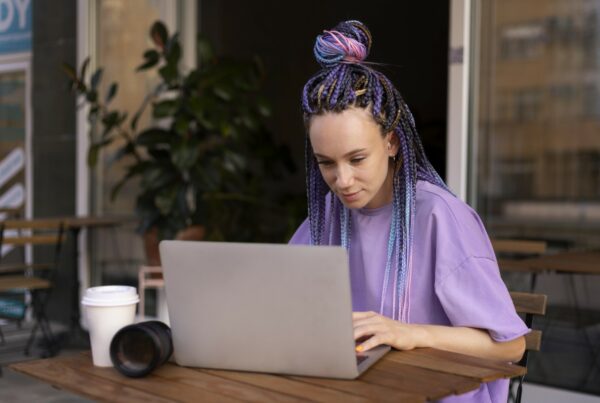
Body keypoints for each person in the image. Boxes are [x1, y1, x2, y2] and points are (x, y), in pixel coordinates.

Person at [289, 20, 529, 403]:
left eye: (357, 158)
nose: (342, 180)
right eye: (326, 163)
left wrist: (410, 333)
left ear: (392, 142)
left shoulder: (439, 217)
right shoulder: (328, 215)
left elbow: (511, 346)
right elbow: (283, 304)